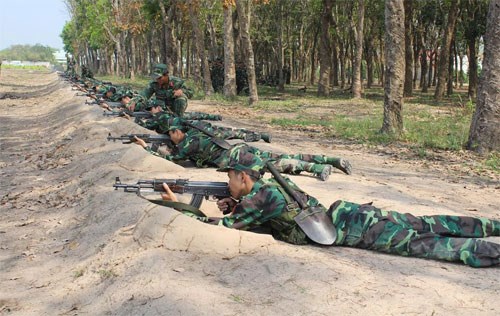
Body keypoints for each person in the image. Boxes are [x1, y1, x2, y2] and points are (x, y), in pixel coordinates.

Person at [160, 149, 500, 268]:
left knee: (426, 244)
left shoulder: (258, 198)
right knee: (428, 222)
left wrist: (179, 207)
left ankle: (491, 253)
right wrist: (234, 203)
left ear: (242, 176)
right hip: (348, 213)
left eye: (230, 177)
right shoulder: (271, 186)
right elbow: (268, 213)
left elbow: (220, 230)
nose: (227, 182)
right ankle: (491, 224)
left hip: (354, 227)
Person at [133, 118, 350, 181]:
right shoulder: (199, 130)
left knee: (274, 164)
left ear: (179, 132)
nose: (172, 138)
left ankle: (315, 168)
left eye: (172, 134)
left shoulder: (188, 143)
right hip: (238, 148)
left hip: (235, 158)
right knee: (281, 156)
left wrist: (147, 148)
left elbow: (173, 159)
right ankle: (329, 160)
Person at [134, 109, 270, 143]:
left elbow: (195, 115)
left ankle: (259, 135)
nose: (152, 111)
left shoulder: (162, 117)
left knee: (230, 133)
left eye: (152, 109)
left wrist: (214, 117)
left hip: (201, 129)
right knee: (229, 132)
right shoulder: (163, 117)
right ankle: (257, 134)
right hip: (199, 127)